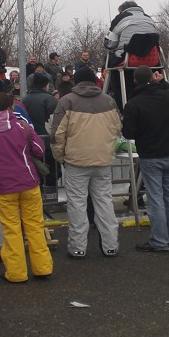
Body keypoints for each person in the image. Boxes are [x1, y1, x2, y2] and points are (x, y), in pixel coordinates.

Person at [0, 92, 52, 282]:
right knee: (35, 226)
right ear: (11, 107)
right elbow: (39, 149)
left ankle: (16, 273)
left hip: (2, 186)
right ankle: (43, 268)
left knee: (11, 230)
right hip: (28, 183)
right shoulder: (23, 127)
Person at [51, 66, 122, 258]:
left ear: (76, 82)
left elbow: (57, 134)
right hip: (103, 161)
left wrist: (60, 157)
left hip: (76, 162)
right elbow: (117, 129)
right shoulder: (108, 101)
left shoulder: (67, 101)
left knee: (77, 204)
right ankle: (110, 245)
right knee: (104, 202)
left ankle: (78, 247)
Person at [122, 66, 169, 251]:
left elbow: (128, 132)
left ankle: (159, 241)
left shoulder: (133, 103)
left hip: (150, 154)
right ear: (152, 77)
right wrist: (163, 83)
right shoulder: (167, 96)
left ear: (135, 80)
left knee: (156, 199)